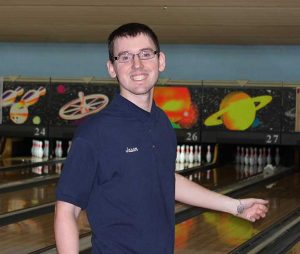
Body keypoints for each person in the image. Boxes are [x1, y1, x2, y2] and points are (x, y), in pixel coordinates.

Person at [54, 23, 269, 254]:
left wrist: (235, 207)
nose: (137, 64)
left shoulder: (162, 123)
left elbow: (164, 179)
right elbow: (67, 211)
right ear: (111, 68)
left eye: (146, 54)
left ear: (161, 61)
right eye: (125, 57)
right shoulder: (95, 131)